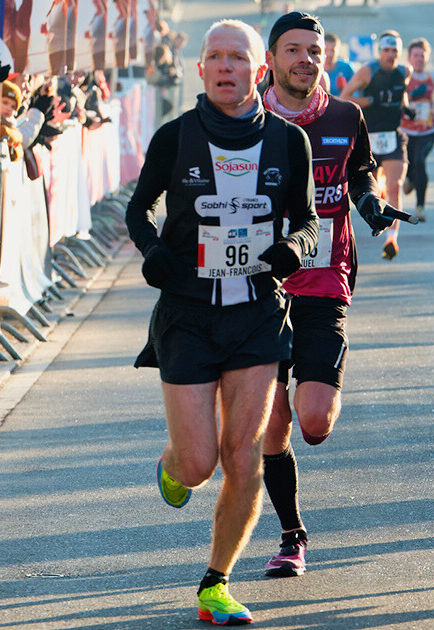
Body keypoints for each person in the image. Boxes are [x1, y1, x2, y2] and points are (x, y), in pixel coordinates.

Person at [125, 19, 320, 624]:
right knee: (199, 463)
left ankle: (216, 583)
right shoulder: (174, 138)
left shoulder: (289, 143)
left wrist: (295, 247)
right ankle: (173, 464)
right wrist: (153, 251)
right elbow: (139, 209)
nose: (226, 67)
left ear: (258, 71)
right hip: (186, 314)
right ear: (202, 68)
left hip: (256, 313)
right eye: (215, 57)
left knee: (244, 455)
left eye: (238, 57)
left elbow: (308, 222)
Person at [258, 11, 402, 580]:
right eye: (293, 49)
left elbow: (362, 171)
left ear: (326, 57)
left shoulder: (346, 115)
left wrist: (369, 203)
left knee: (313, 423)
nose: (305, 59)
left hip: (326, 280)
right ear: (271, 58)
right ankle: (292, 535)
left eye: (314, 51)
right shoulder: (246, 118)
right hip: (259, 287)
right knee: (273, 424)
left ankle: (310, 378)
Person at [341, 30, 413, 260]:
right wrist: (370, 101)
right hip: (369, 137)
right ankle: (374, 214)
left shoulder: (404, 72)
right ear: (380, 51)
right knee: (366, 189)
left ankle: (391, 238)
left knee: (395, 186)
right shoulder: (367, 71)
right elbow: (345, 96)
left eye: (395, 51)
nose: (390, 55)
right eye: (386, 50)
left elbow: (400, 94)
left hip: (393, 137)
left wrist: (406, 106)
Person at [402, 37, 434, 222]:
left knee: (420, 161)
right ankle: (409, 178)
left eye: (422, 56)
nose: (419, 59)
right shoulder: (404, 77)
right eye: (415, 55)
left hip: (428, 130)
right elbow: (398, 96)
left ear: (427, 58)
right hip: (406, 130)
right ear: (409, 58)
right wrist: (410, 95)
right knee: (410, 162)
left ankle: (420, 206)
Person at [323, 32, 355, 97]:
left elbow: (355, 94)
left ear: (338, 51)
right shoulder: (315, 68)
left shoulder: (346, 67)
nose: (329, 54)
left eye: (332, 50)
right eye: (325, 50)